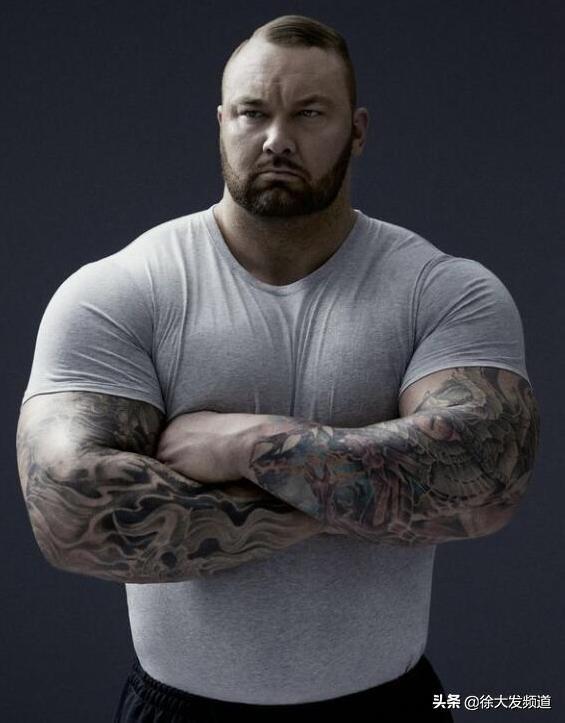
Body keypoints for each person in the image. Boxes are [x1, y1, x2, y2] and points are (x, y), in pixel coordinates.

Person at [16, 14, 539, 723]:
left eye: (309, 114)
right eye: (253, 112)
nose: (277, 139)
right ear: (221, 123)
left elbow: (487, 477)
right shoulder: (120, 290)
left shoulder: (443, 290)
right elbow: (69, 514)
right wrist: (368, 488)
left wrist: (246, 445)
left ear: (356, 130)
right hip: (177, 711)